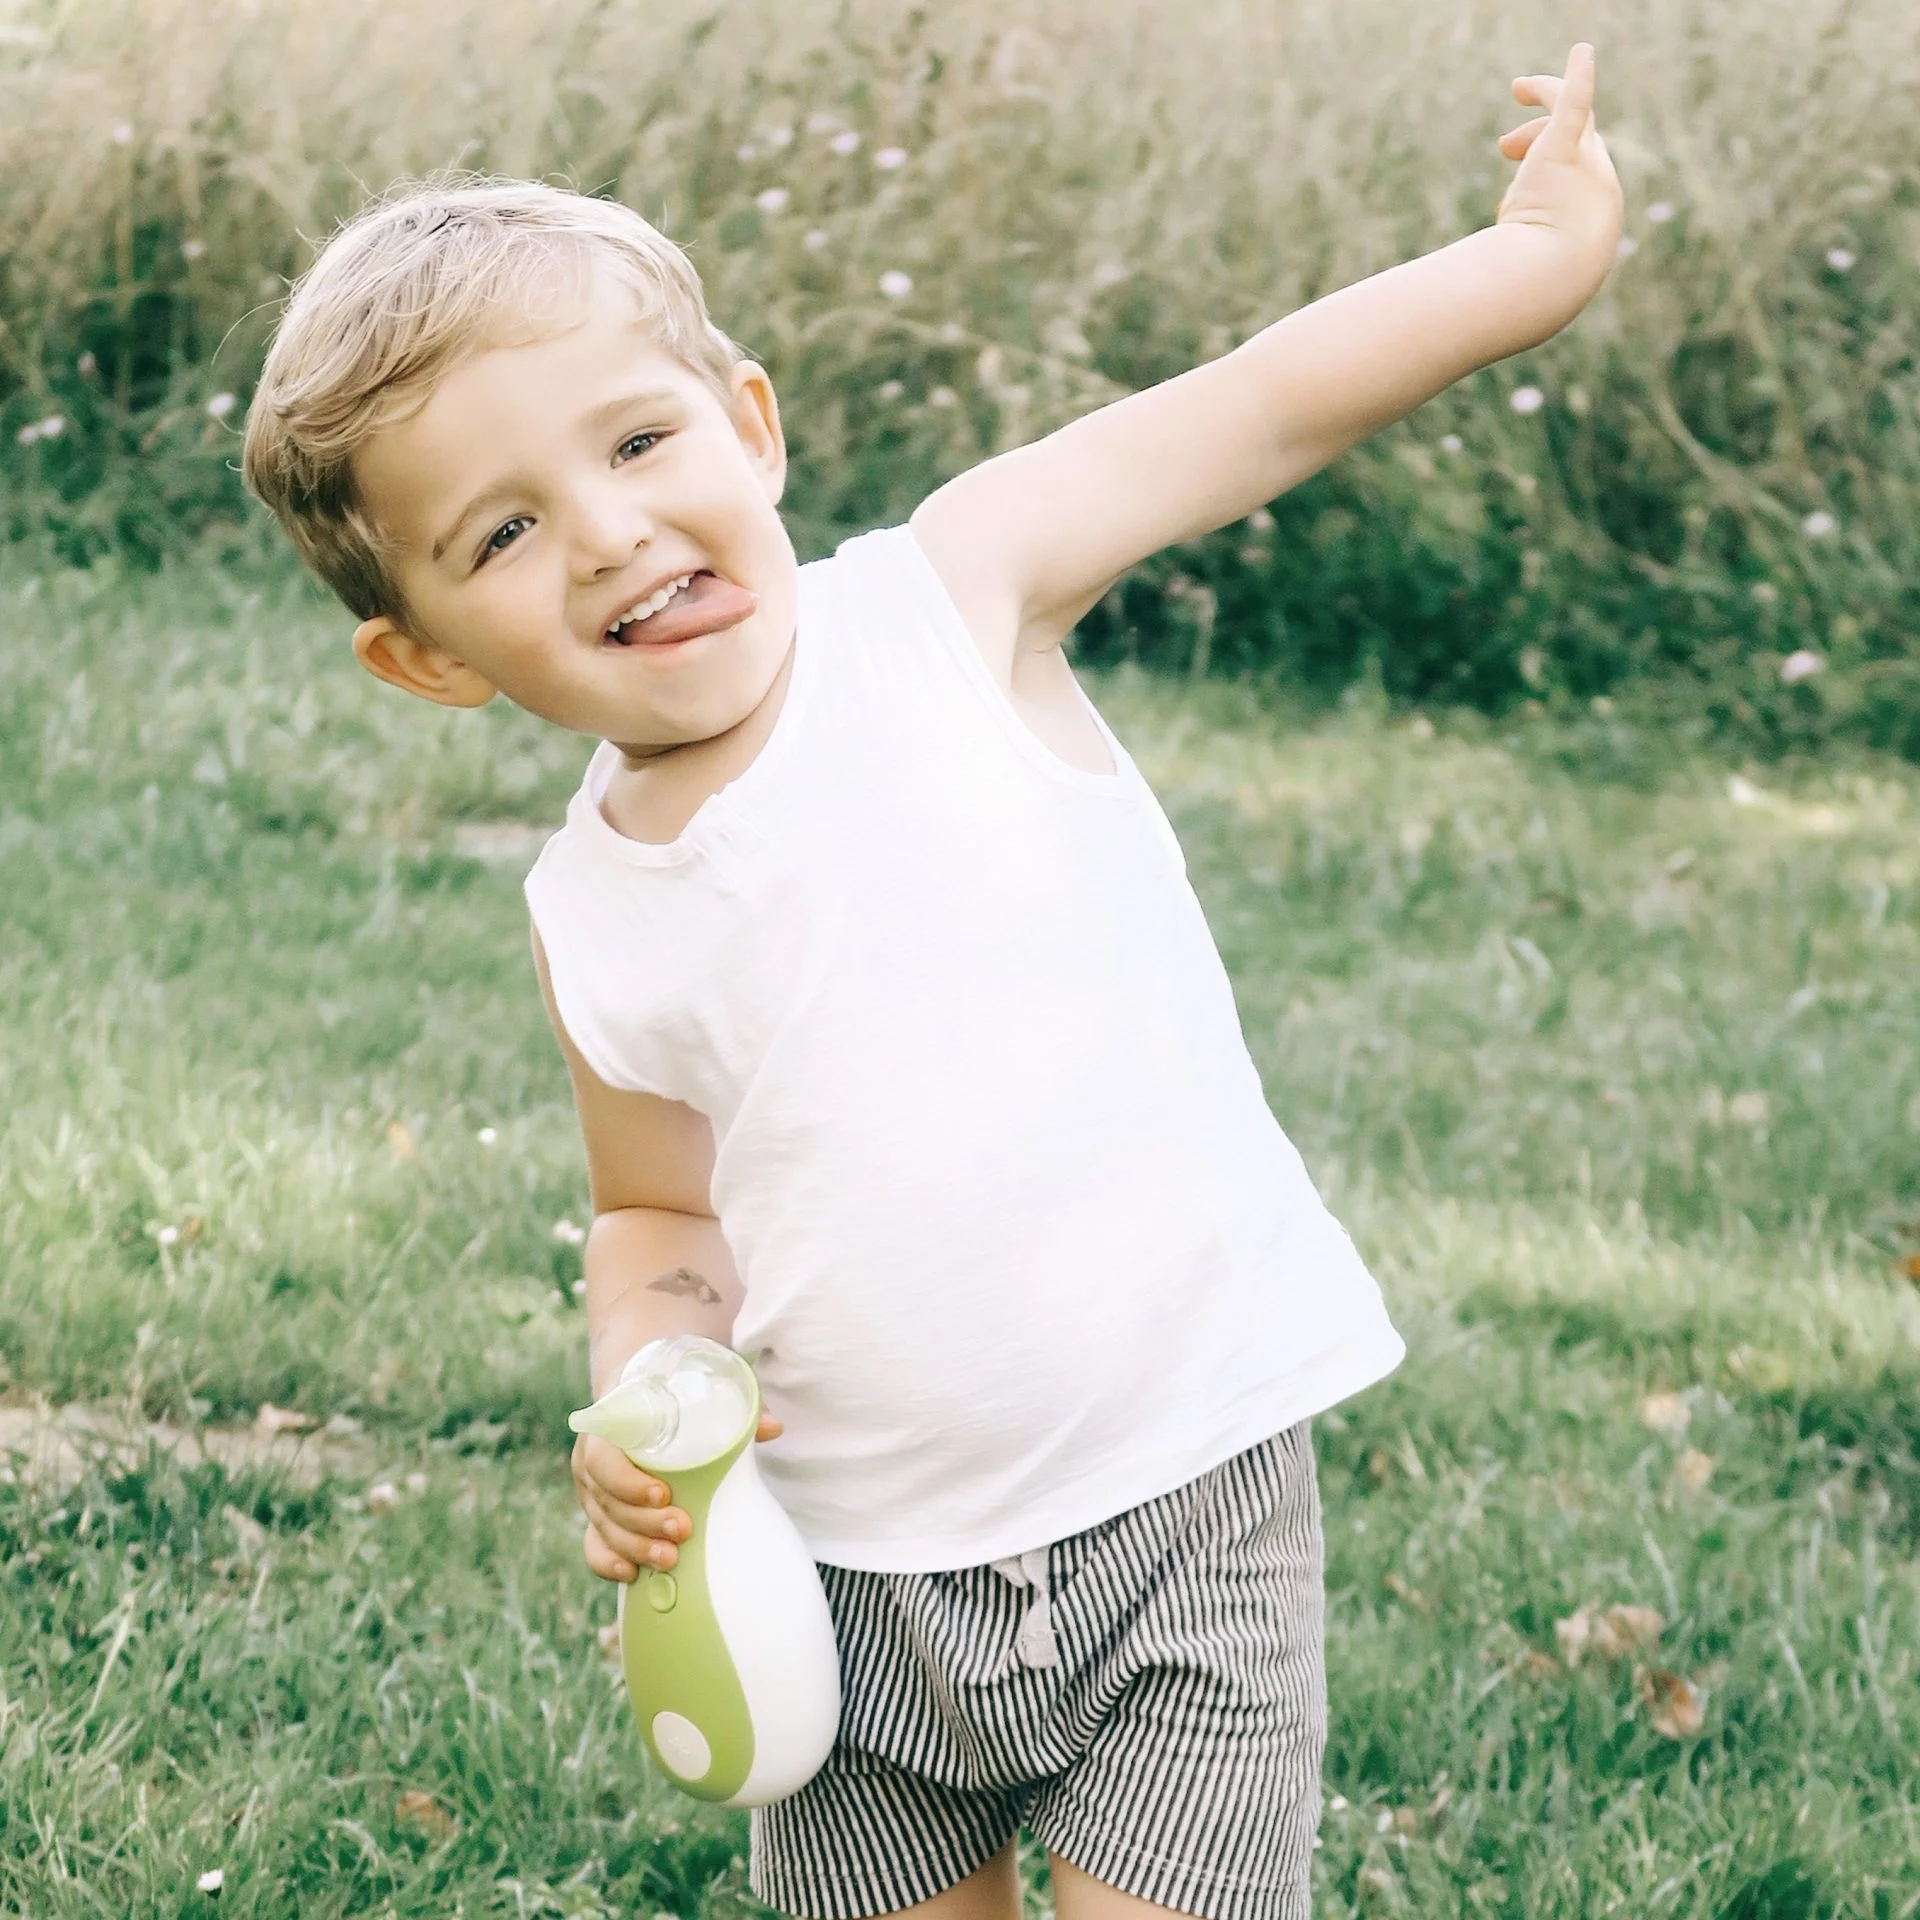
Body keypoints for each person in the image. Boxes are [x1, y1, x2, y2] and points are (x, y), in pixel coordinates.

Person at [243, 44, 1619, 1920]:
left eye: (641, 443)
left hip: (1174, 1493)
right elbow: (657, 1213)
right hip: (847, 1576)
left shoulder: (955, 599)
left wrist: (1527, 257)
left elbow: (1260, 405)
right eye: (503, 531)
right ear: (426, 659)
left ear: (751, 423)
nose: (611, 531)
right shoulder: (592, 909)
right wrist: (651, 1390)